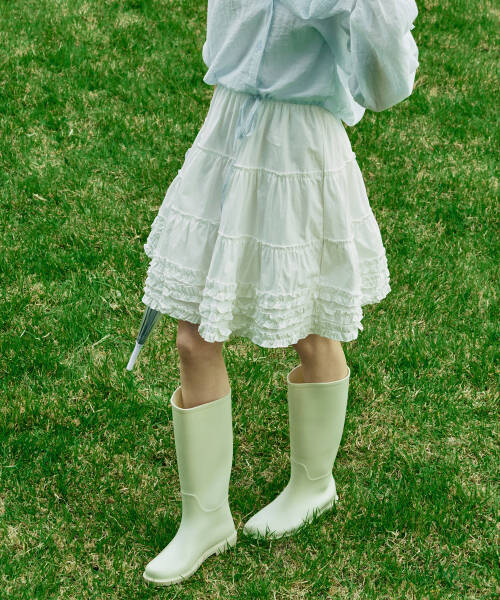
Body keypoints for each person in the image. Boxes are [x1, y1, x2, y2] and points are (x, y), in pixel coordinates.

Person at [140, 0, 419, 586]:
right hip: (228, 131)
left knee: (311, 333)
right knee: (192, 335)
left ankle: (313, 484)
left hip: (301, 151)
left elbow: (385, 84)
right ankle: (205, 519)